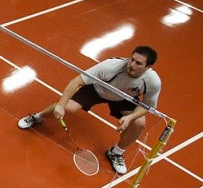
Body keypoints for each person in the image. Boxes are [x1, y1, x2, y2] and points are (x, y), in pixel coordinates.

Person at [17, 46, 161, 175]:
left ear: (148, 67)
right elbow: (76, 81)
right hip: (97, 89)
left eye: (138, 63)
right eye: (132, 59)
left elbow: (148, 106)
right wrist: (61, 105)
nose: (132, 64)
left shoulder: (152, 81)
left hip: (123, 97)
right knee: (68, 108)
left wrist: (130, 117)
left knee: (139, 123)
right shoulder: (110, 66)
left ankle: (116, 153)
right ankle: (37, 117)